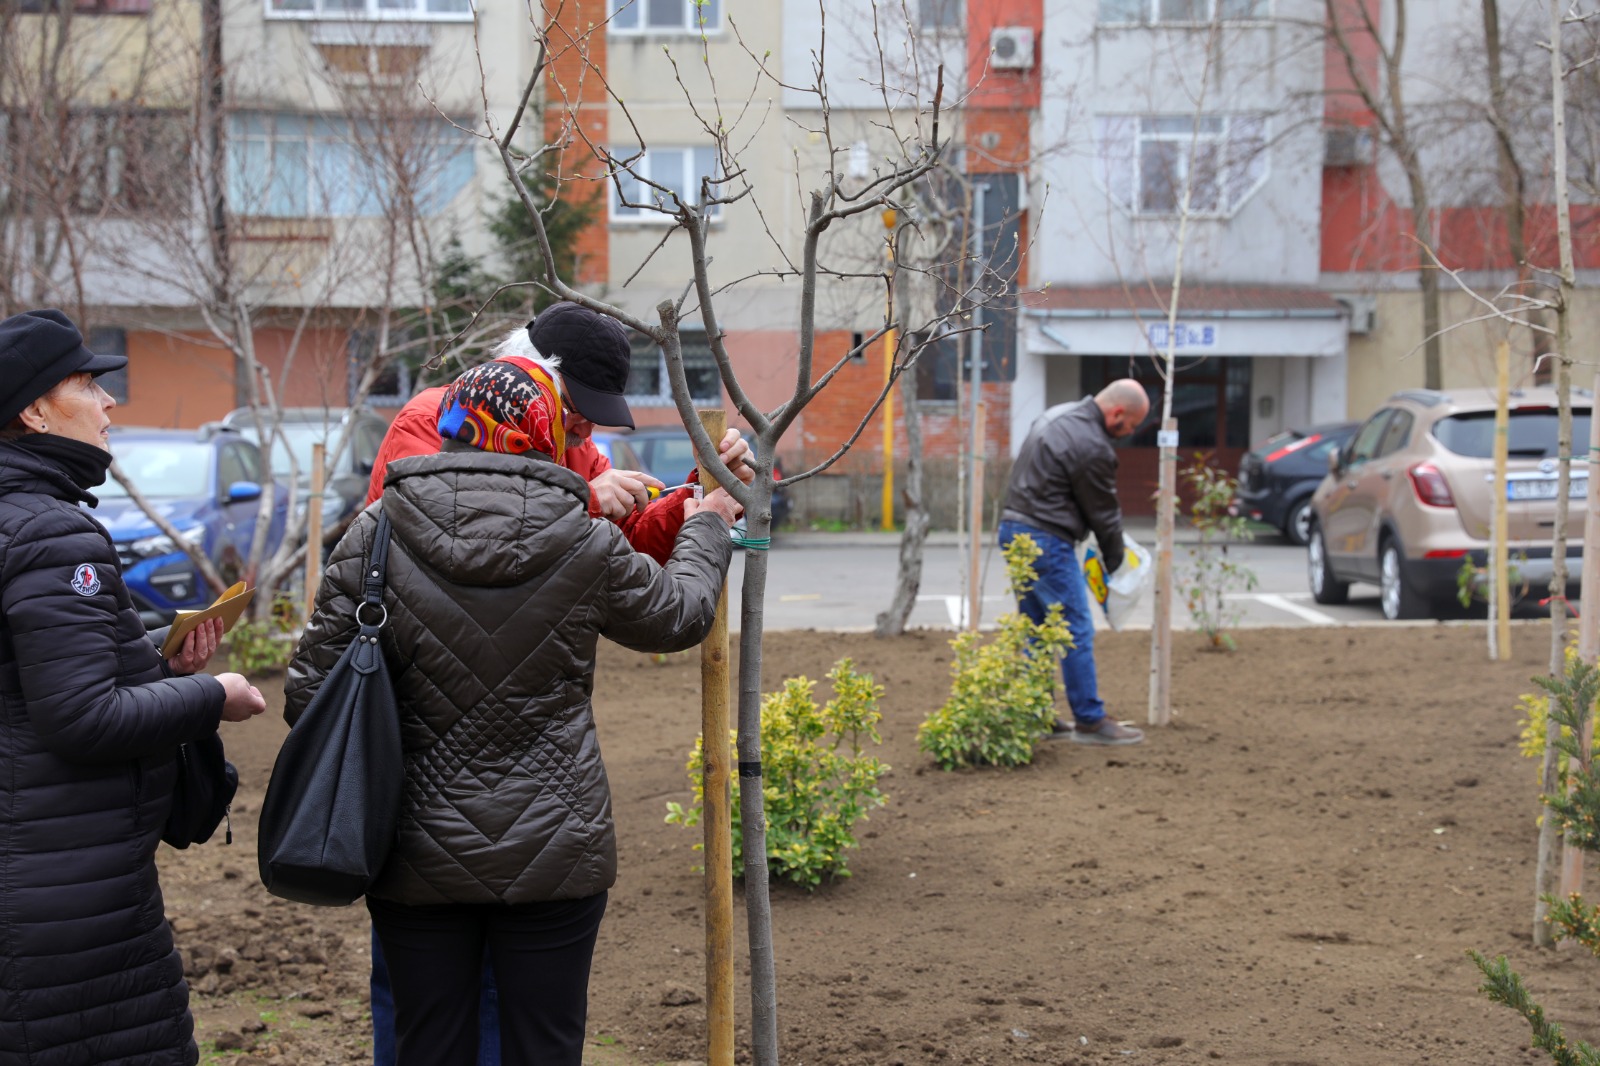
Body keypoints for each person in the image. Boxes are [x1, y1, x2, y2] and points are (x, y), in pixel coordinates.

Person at [285, 355, 738, 1066]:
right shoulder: (580, 536)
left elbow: (310, 693)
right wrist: (707, 522)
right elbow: (676, 615)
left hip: (411, 850)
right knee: (545, 1047)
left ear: (452, 427)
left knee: (426, 1044)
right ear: (540, 436)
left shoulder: (373, 533)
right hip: (556, 847)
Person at [0, 309, 268, 1064]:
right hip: (66, 902)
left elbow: (26, 683)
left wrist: (159, 661)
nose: (109, 402)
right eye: (87, 383)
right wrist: (215, 696)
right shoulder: (52, 532)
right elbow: (79, 718)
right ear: (34, 408)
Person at [365, 301, 753, 562]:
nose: (587, 428)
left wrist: (701, 491)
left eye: (596, 412)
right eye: (573, 408)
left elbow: (633, 541)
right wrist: (582, 500)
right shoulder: (431, 419)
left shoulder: (571, 445)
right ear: (529, 379)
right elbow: (450, 537)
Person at [998, 379, 1150, 746]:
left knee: (1037, 627)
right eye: (1130, 426)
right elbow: (1104, 515)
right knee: (1074, 627)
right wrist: (1115, 564)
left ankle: (1037, 715)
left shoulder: (1055, 416)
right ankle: (1090, 719)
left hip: (1012, 529)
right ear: (1117, 413)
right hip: (1047, 538)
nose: (1128, 434)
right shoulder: (1091, 444)